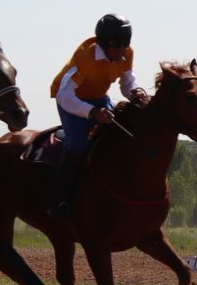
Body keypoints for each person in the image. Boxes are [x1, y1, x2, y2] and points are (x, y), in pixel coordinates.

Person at [46, 14, 149, 219]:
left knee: (120, 133)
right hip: (71, 100)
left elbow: (127, 80)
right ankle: (58, 200)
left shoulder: (126, 53)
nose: (122, 51)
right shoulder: (85, 57)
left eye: (126, 44)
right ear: (105, 43)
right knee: (77, 143)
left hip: (99, 98)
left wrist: (135, 91)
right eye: (118, 45)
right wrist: (92, 112)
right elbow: (64, 94)